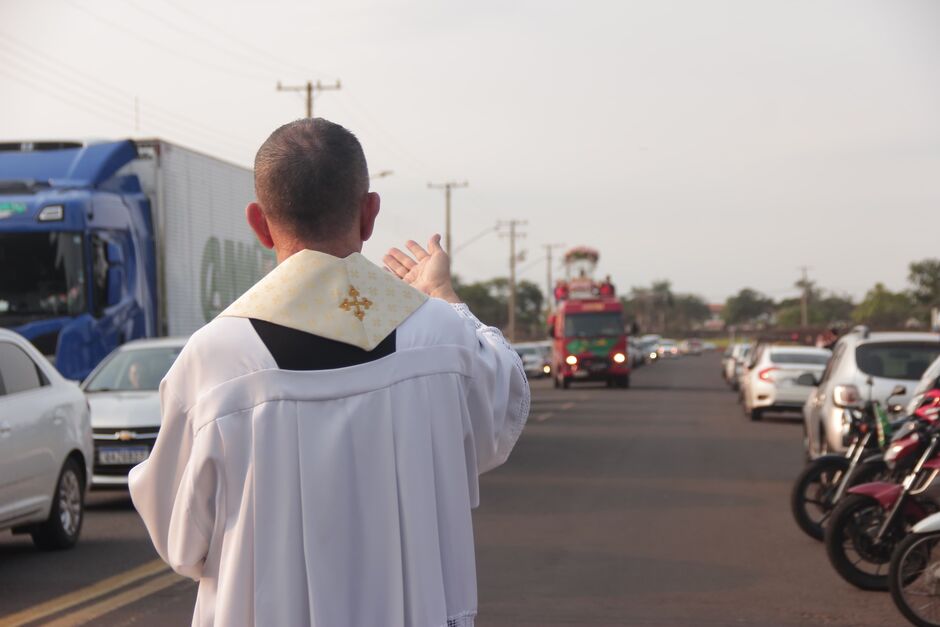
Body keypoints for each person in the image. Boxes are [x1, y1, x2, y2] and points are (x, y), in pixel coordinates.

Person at [129, 118, 529, 627]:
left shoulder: (215, 361)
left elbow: (180, 540)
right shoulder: (439, 338)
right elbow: (502, 408)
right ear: (369, 214)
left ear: (258, 223)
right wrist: (444, 298)